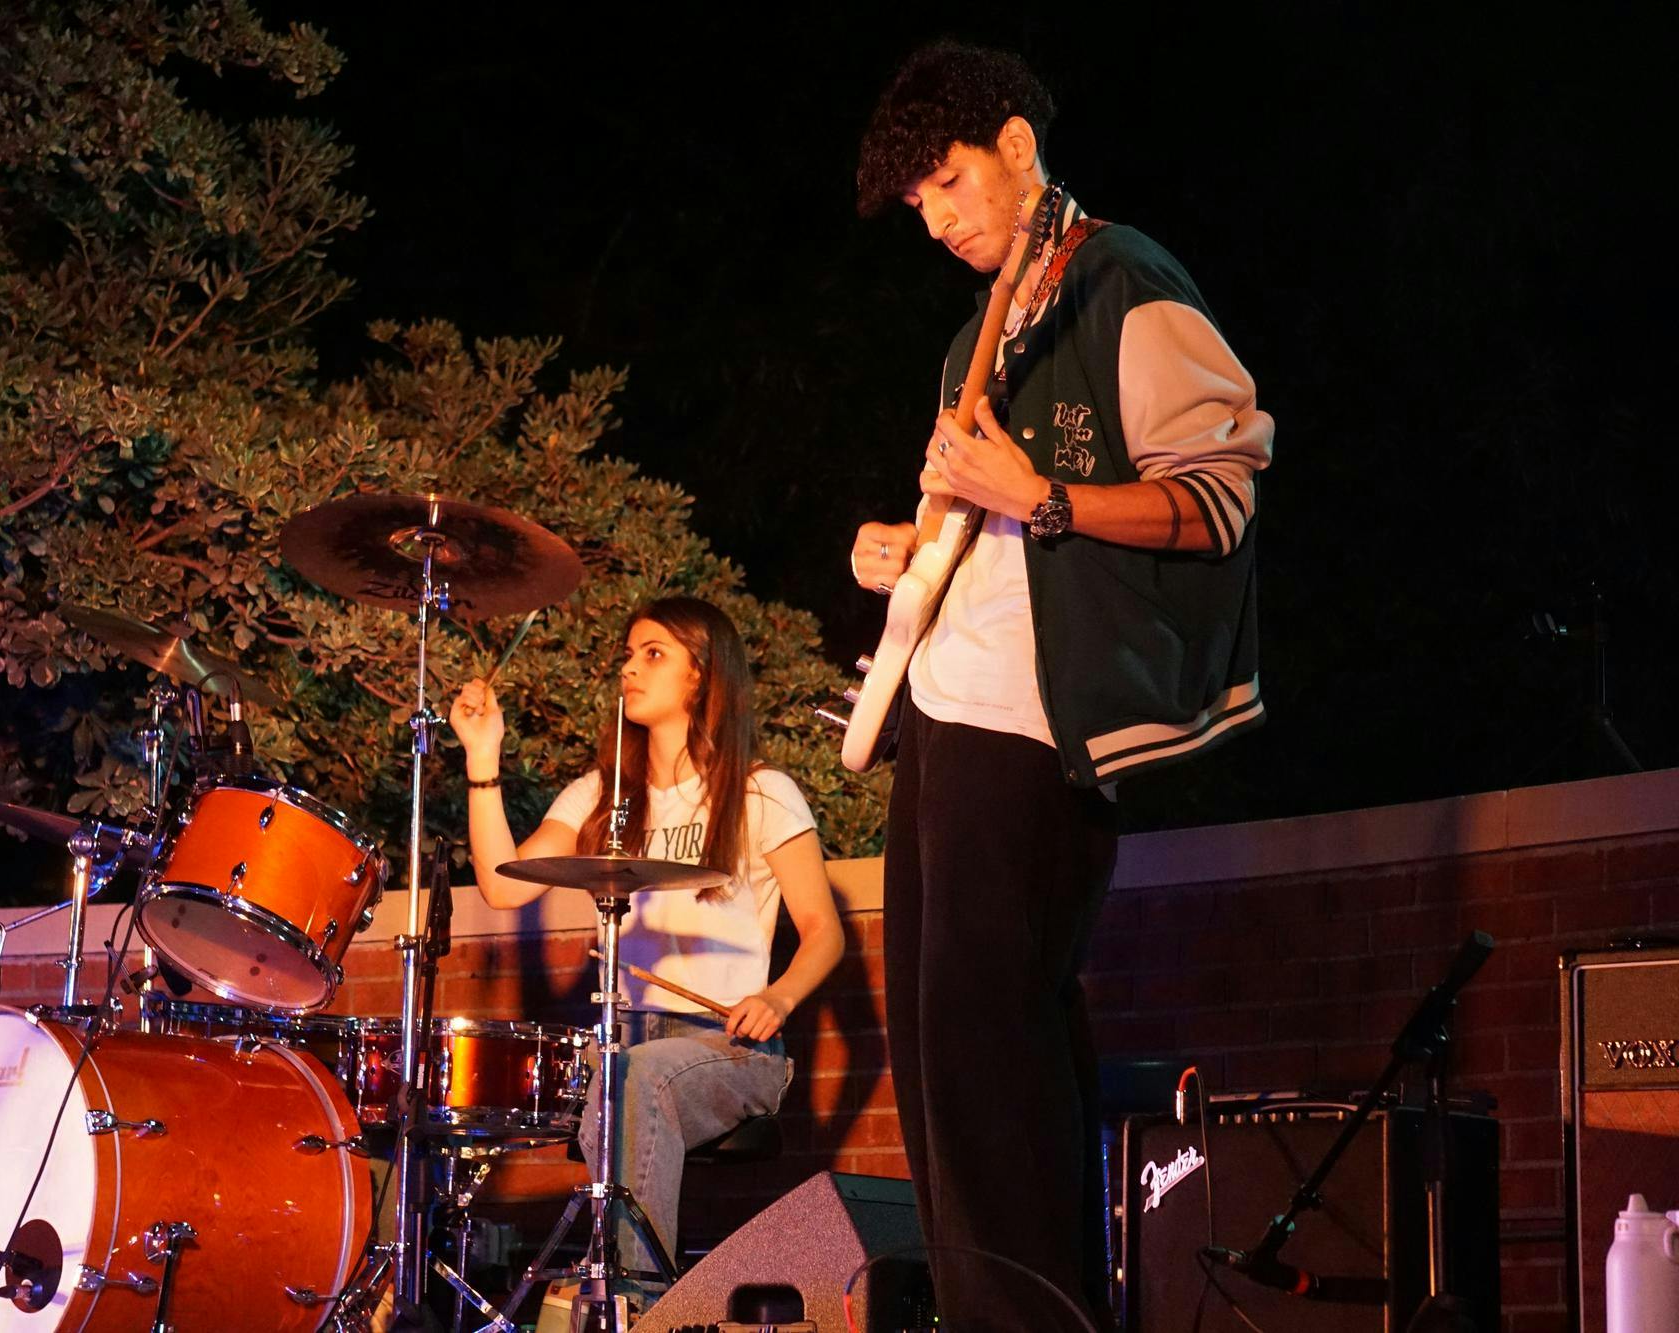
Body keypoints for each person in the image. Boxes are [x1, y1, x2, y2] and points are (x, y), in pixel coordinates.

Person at [850, 40, 1276, 1332]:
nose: (936, 219)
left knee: (993, 1062)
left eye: (949, 184)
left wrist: (1034, 495)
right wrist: (906, 549)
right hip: (944, 710)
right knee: (937, 1072)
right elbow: (973, 530)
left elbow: (1219, 496)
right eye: (919, 202)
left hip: (1036, 732)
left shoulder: (1121, 283)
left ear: (1020, 151)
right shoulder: (973, 338)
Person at [449, 595, 844, 1289]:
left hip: (729, 1043)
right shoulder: (600, 797)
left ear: (702, 675)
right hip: (624, 1044)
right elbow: (504, 887)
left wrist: (778, 997)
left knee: (632, 1079)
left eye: (653, 653)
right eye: (627, 655)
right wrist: (485, 760)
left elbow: (823, 931)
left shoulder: (761, 793)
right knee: (583, 1077)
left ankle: (632, 1299)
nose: (629, 669)